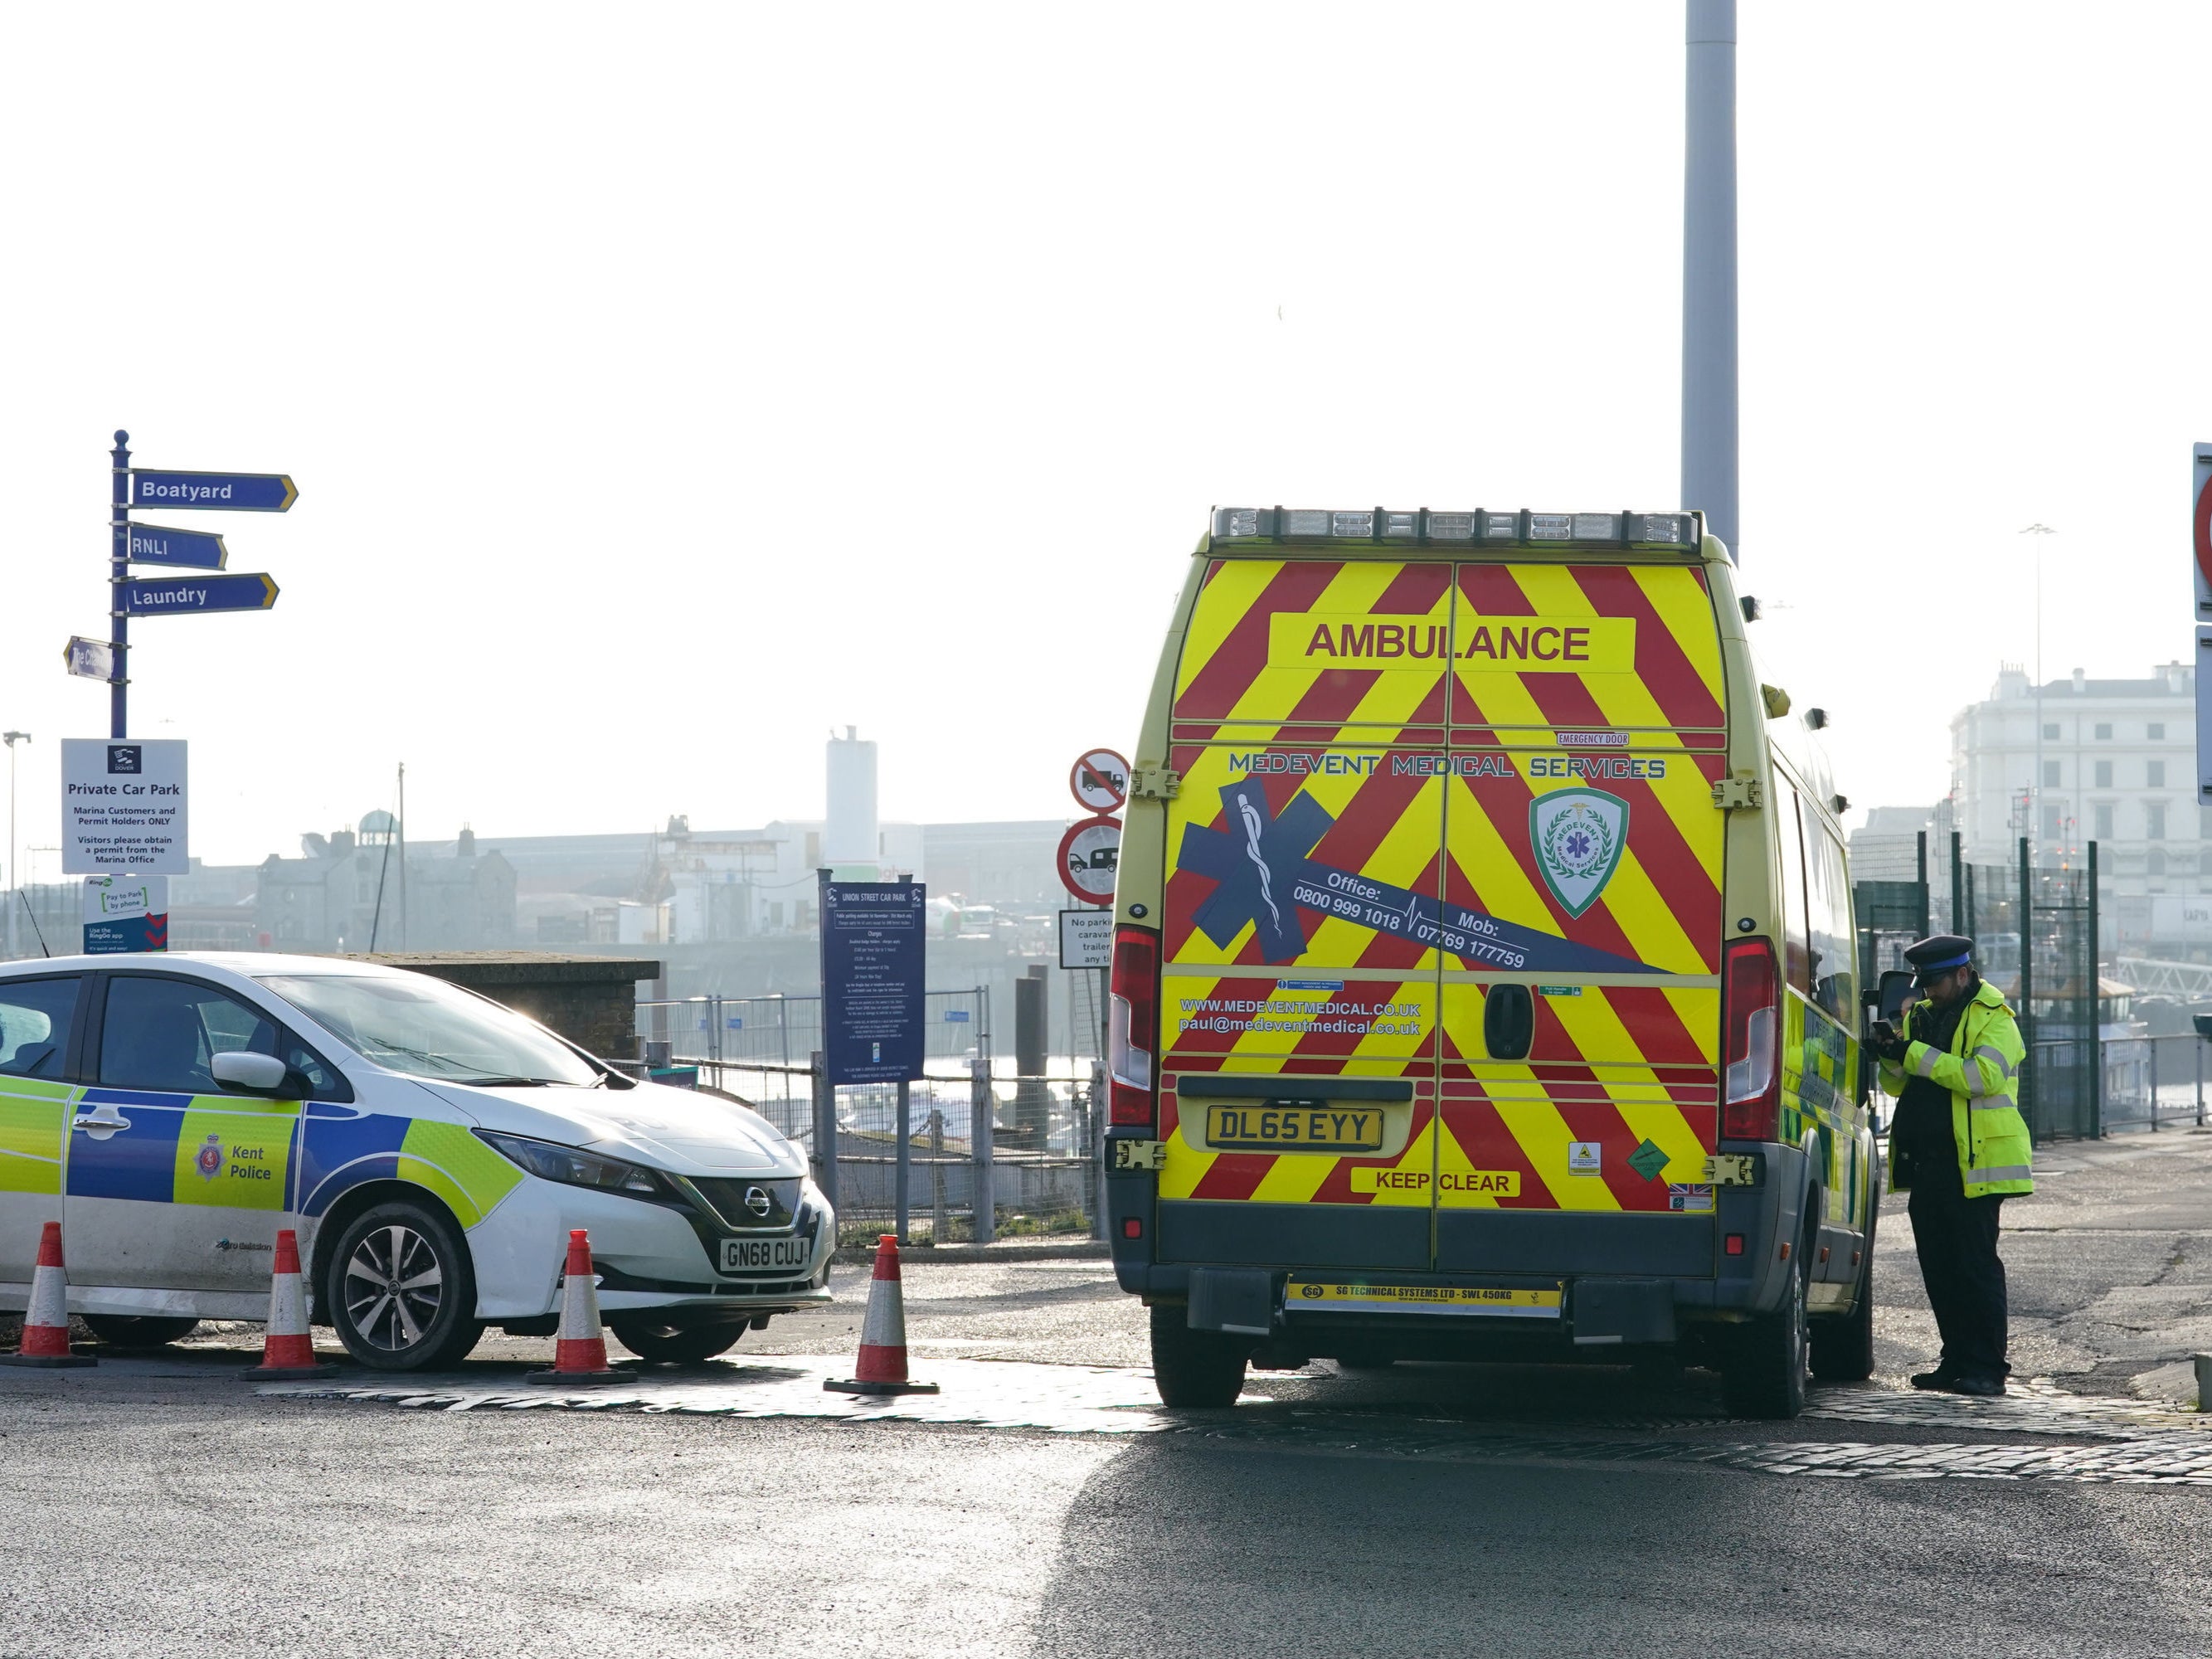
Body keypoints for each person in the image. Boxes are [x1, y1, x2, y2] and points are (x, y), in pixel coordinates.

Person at [1871, 934, 2033, 1396]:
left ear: (1962, 975)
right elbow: (1901, 1085)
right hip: (1928, 1164)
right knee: (1939, 1268)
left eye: (1937, 983)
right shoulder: (1921, 1015)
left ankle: (1986, 1368)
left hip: (1974, 1164)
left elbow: (1980, 1078)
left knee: (1974, 1267)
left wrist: (1913, 1054)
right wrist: (1890, 1055)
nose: (1928, 991)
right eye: (1924, 983)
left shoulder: (1996, 1020)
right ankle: (1955, 1360)